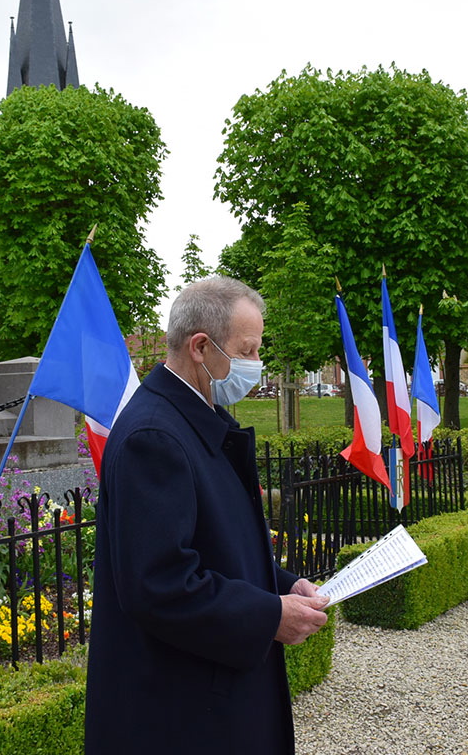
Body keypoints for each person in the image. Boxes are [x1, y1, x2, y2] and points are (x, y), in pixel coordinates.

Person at [84, 276, 329, 755]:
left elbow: (216, 545)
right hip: (181, 711)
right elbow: (160, 584)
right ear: (200, 347)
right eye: (247, 350)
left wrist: (283, 586)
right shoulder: (154, 436)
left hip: (206, 693)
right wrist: (269, 616)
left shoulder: (194, 419)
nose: (256, 364)